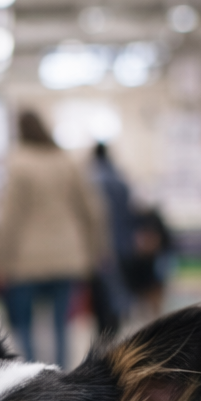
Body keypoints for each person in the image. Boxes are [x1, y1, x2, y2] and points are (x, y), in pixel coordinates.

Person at [0, 110, 104, 368]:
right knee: (61, 324)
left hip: (25, 259)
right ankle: (60, 377)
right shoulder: (66, 162)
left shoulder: (18, 164)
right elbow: (91, 211)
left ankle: (32, 377)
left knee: (25, 323)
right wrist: (95, 250)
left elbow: (8, 219)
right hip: (68, 255)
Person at [89, 143, 134, 336]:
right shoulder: (120, 179)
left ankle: (105, 331)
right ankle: (117, 324)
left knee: (102, 292)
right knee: (118, 286)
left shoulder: (92, 180)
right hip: (123, 241)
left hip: (101, 244)